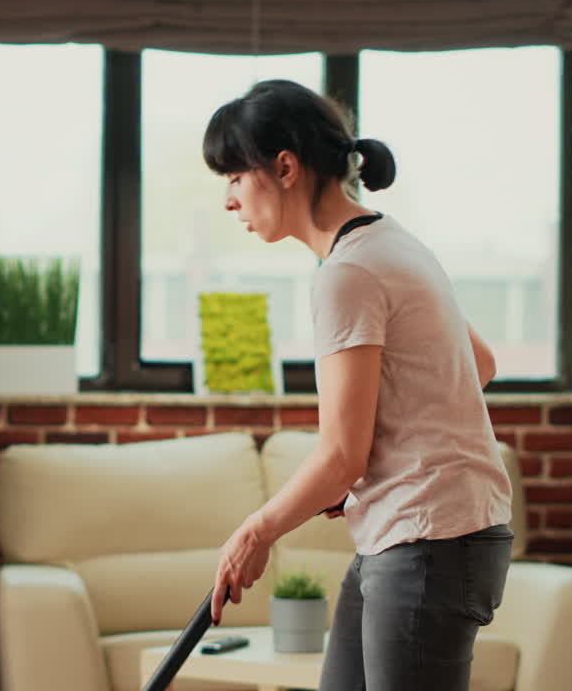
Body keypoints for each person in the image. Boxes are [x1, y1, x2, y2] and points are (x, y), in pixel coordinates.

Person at [202, 79, 514, 691]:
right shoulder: (392, 242)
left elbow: (342, 454)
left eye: (235, 177)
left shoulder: (347, 273)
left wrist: (254, 533)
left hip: (428, 543)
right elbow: (477, 364)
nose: (230, 201)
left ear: (284, 167)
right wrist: (387, 458)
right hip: (418, 536)